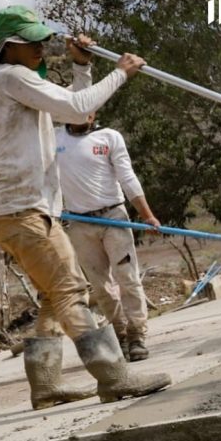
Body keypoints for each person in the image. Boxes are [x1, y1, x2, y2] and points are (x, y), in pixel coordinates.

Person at [0, 4, 170, 410]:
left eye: (41, 41)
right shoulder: (12, 77)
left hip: (18, 213)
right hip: (24, 212)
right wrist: (121, 71)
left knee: (54, 296)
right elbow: (77, 108)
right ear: (8, 46)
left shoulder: (10, 82)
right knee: (71, 291)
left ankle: (46, 385)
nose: (39, 48)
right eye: (29, 42)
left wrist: (81, 67)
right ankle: (114, 376)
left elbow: (71, 105)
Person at [56, 112, 159, 363]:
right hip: (80, 222)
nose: (83, 113)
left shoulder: (109, 137)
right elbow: (36, 174)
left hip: (113, 216)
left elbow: (127, 177)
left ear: (95, 112)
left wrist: (147, 215)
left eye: (89, 107)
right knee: (101, 286)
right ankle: (119, 332)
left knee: (127, 277)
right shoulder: (53, 139)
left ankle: (137, 335)